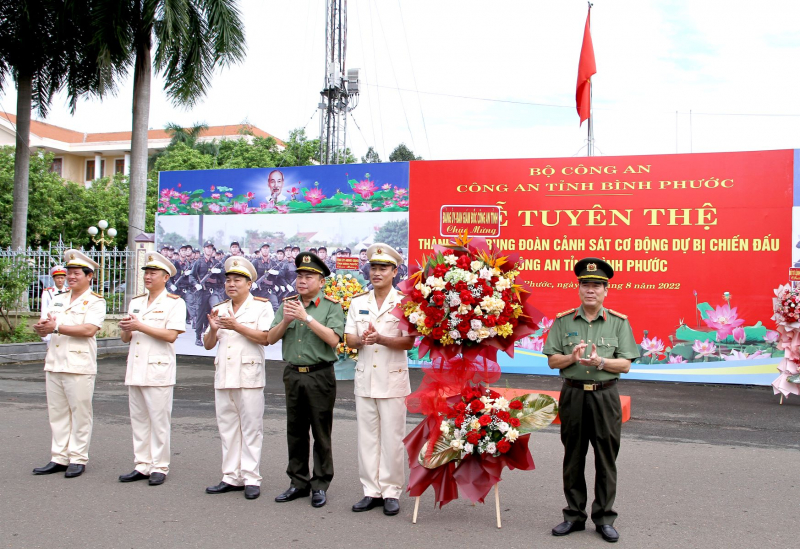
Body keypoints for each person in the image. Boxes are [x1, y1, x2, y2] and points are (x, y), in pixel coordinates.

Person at [542, 258, 640, 543]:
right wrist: (571, 358)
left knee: (606, 458)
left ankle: (604, 518)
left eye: (597, 285)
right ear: (579, 288)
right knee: (573, 457)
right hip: (573, 394)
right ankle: (573, 516)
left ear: (605, 290)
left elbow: (625, 365)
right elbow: (552, 361)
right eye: (586, 284)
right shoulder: (563, 322)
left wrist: (602, 362)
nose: (591, 290)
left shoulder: (619, 323)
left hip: (605, 395)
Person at [267, 252, 344, 509]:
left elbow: (334, 340)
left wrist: (306, 318)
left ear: (321, 282)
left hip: (319, 374)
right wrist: (288, 319)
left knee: (321, 432)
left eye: (309, 276)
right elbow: (270, 337)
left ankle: (320, 484)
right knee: (296, 431)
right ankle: (298, 482)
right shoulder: (287, 303)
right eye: (300, 275)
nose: (302, 280)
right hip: (293, 374)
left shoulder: (331, 306)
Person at [344, 243, 414, 516]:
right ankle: (370, 491)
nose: (377, 272)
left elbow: (408, 342)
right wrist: (362, 339)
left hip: (393, 380)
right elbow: (349, 339)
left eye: (383, 268)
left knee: (392, 439)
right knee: (367, 439)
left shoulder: (405, 303)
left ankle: (391, 491)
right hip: (365, 380)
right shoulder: (358, 301)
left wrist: (382, 339)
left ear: (395, 271)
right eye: (373, 267)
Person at [203, 257, 273, 500]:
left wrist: (236, 326)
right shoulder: (220, 308)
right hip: (224, 375)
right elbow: (208, 344)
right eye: (229, 280)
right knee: (228, 428)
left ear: (250, 283)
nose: (231, 284)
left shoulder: (261, 306)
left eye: (237, 280)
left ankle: (251, 477)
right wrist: (213, 329)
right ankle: (231, 476)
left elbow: (265, 337)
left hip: (249, 376)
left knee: (251, 428)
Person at [32, 249, 106, 478]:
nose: (71, 277)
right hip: (55, 362)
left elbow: (89, 329)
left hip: (78, 364)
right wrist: (42, 327)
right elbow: (49, 324)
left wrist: (55, 327)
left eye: (76, 273)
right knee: (57, 413)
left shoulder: (95, 301)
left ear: (89, 276)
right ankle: (59, 457)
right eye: (69, 273)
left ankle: (78, 457)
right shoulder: (58, 299)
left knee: (80, 412)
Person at [118, 252, 186, 486]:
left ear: (165, 277)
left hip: (158, 369)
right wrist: (127, 328)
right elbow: (126, 338)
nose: (148, 276)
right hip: (136, 367)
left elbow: (170, 335)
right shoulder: (136, 302)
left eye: (153, 273)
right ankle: (142, 464)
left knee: (158, 420)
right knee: (138, 419)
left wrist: (140, 325)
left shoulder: (174, 303)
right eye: (146, 272)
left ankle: (159, 466)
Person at [192, 241, 225, 346]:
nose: (209, 250)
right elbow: (192, 275)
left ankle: (217, 335)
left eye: (211, 248)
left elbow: (223, 276)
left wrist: (219, 272)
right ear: (204, 249)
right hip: (202, 291)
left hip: (213, 291)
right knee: (201, 315)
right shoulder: (199, 262)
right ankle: (198, 337)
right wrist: (196, 284)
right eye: (207, 247)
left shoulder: (216, 263)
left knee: (217, 311)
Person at [40, 265, 69, 346]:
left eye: (62, 278)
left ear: (65, 278)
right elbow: (44, 308)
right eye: (57, 278)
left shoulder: (69, 291)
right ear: (53, 279)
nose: (60, 280)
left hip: (64, 322)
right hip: (51, 321)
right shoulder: (47, 292)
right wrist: (43, 321)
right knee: (51, 346)